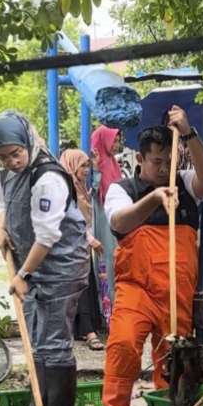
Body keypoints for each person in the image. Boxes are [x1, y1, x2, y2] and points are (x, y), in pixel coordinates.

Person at [98, 106, 203, 406]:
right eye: (157, 162)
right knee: (122, 348)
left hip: (177, 292)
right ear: (140, 158)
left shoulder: (187, 187)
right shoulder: (122, 189)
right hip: (136, 291)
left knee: (177, 361)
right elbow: (119, 222)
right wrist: (153, 199)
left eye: (170, 162)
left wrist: (189, 133)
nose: (165, 169)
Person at [0, 111, 90, 406]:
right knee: (37, 339)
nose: (11, 162)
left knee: (54, 340)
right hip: (29, 266)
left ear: (27, 143)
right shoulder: (4, 173)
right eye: (3, 157)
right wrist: (0, 225)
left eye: (15, 154)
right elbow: (2, 201)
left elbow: (47, 236)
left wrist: (23, 274)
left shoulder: (47, 178)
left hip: (60, 266)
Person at [60, 149, 105, 350]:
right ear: (72, 165)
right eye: (83, 165)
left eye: (88, 165)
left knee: (85, 285)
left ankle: (84, 330)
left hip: (81, 243)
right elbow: (72, 217)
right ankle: (89, 332)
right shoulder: (65, 186)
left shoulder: (81, 187)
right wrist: (89, 238)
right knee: (82, 287)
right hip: (71, 245)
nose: (86, 170)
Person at [90, 125, 123, 327]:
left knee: (116, 265)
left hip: (114, 224)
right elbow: (93, 192)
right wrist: (95, 169)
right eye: (114, 140)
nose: (117, 145)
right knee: (105, 265)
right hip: (102, 222)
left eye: (118, 141)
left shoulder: (113, 164)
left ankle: (116, 312)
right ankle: (107, 316)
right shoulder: (95, 164)